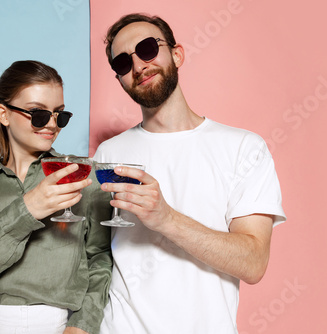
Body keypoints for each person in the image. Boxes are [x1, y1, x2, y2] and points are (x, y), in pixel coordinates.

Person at [93, 13, 287, 333]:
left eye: (146, 49)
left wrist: (166, 218)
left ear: (177, 54)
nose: (139, 66)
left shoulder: (243, 148)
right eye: (123, 63)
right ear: (119, 80)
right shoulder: (108, 155)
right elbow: (94, 259)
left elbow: (253, 263)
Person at [0, 60, 112, 334]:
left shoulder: (82, 176)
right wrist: (27, 209)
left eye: (60, 115)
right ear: (4, 114)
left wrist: (81, 325)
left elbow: (100, 258)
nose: (52, 125)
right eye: (38, 114)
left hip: (53, 324)